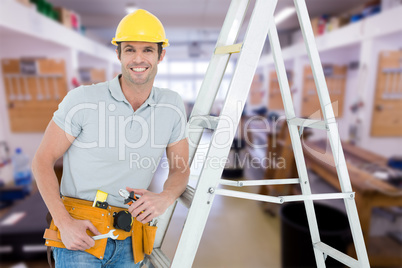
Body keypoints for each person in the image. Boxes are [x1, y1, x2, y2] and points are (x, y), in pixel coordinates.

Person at [32, 9, 189, 267]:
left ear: (161, 55)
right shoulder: (82, 100)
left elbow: (180, 169)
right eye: (129, 50)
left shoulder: (171, 105)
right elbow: (42, 160)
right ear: (118, 54)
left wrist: (166, 196)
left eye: (148, 50)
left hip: (131, 235)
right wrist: (63, 223)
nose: (138, 59)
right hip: (80, 233)